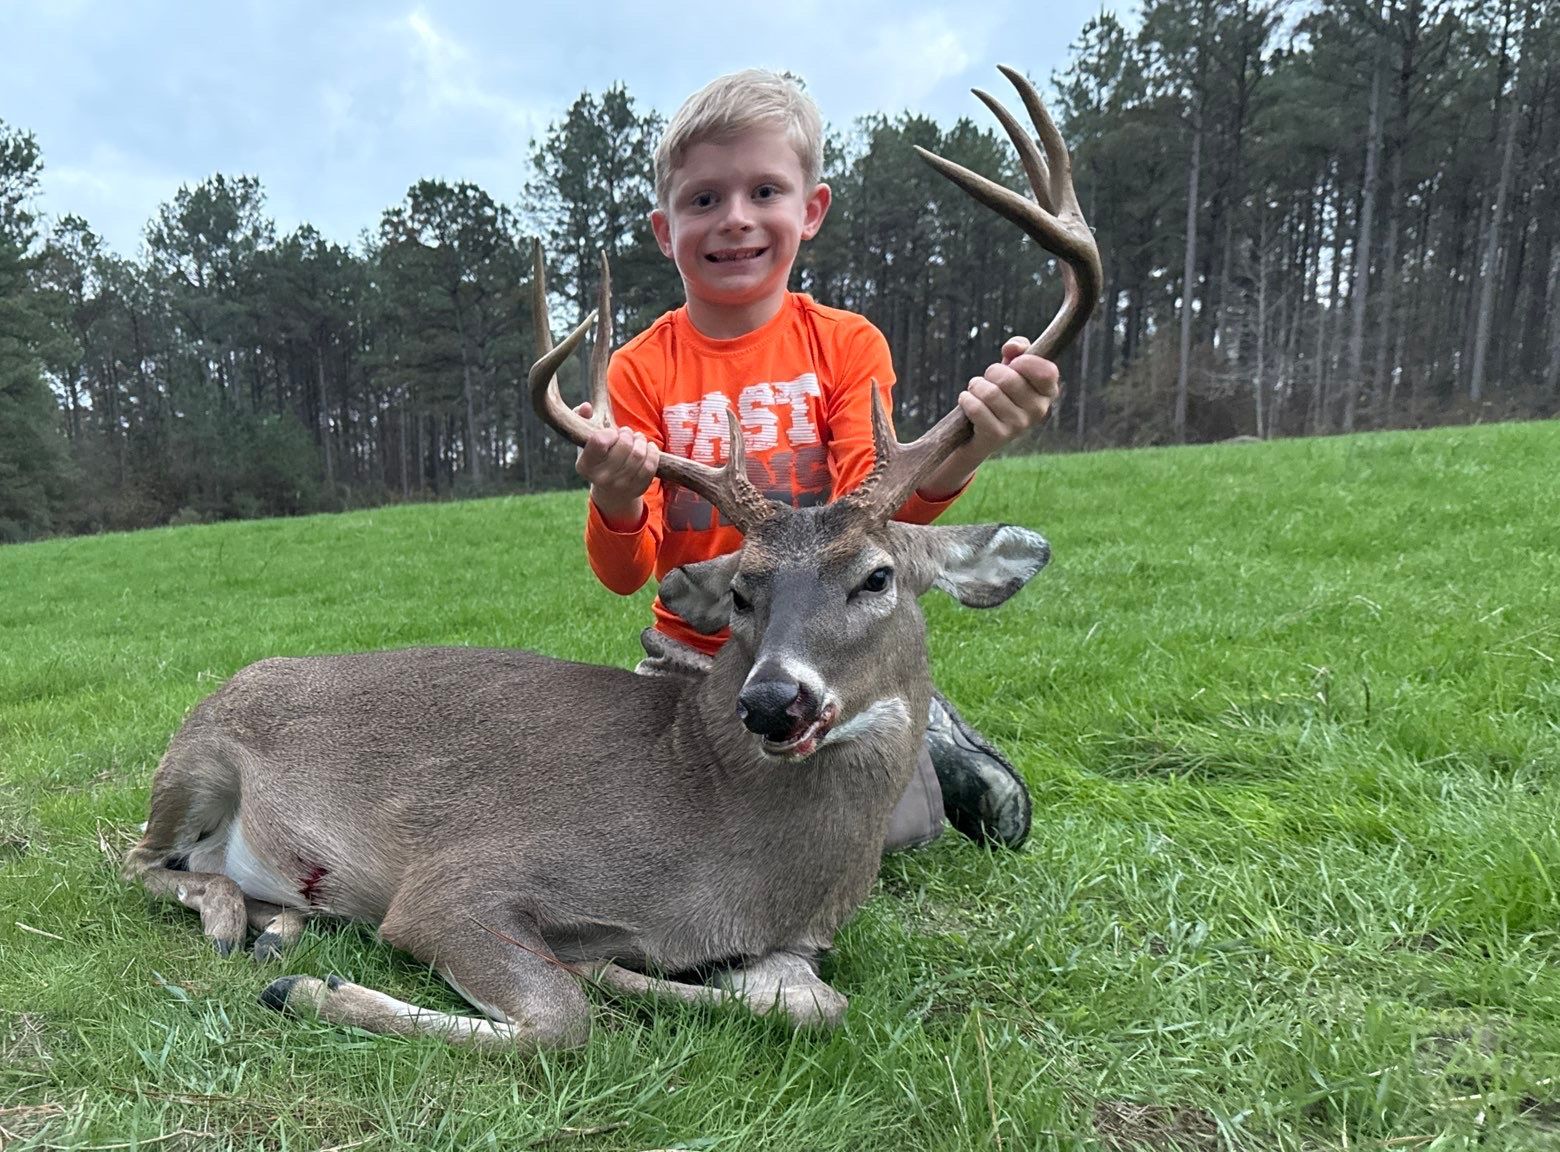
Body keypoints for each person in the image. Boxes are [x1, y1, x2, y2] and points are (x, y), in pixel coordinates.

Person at [573, 69, 1058, 851]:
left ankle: (930, 745)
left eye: (765, 191)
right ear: (665, 230)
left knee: (860, 828)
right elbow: (630, 574)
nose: (735, 219)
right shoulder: (638, 370)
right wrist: (618, 499)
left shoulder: (845, 345)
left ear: (812, 209)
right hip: (695, 655)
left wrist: (980, 442)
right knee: (651, 822)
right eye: (703, 200)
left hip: (832, 644)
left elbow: (879, 514)